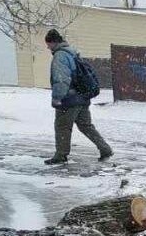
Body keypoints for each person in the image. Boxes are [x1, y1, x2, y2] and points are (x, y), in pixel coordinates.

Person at [44, 29, 113, 165]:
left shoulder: (60, 56)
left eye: (48, 44)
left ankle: (61, 155)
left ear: (53, 42)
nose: (47, 47)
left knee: (62, 126)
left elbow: (61, 79)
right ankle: (105, 148)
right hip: (82, 97)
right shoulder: (73, 52)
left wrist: (57, 97)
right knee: (86, 126)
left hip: (69, 98)